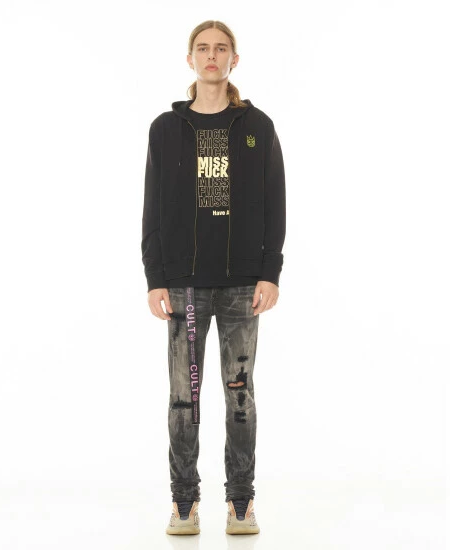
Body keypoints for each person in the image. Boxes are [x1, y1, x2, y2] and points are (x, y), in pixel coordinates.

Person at [141, 20, 286, 536]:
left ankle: (240, 502)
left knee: (240, 394)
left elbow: (275, 202)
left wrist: (270, 272)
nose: (211, 55)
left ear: (233, 60)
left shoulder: (257, 126)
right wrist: (155, 276)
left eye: (221, 48)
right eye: (202, 48)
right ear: (190, 59)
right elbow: (152, 206)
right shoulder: (165, 128)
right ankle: (184, 502)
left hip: (243, 285)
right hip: (183, 286)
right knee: (184, 397)